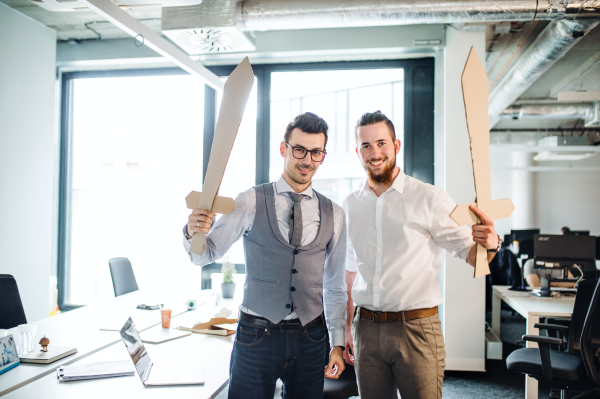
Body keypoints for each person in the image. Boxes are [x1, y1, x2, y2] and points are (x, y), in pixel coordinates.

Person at [183, 112, 347, 399]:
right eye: (299, 150)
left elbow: (334, 286)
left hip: (311, 337)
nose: (307, 160)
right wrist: (191, 231)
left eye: (316, 152)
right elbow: (203, 255)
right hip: (257, 336)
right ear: (283, 149)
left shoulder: (335, 214)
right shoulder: (250, 201)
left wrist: (337, 344)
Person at [343, 111, 501, 399]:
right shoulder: (351, 204)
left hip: (415, 329)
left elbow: (471, 254)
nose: (374, 152)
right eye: (366, 146)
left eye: (381, 143)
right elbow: (351, 270)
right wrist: (347, 326)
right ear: (358, 152)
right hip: (365, 329)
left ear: (396, 145)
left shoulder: (429, 198)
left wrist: (490, 244)